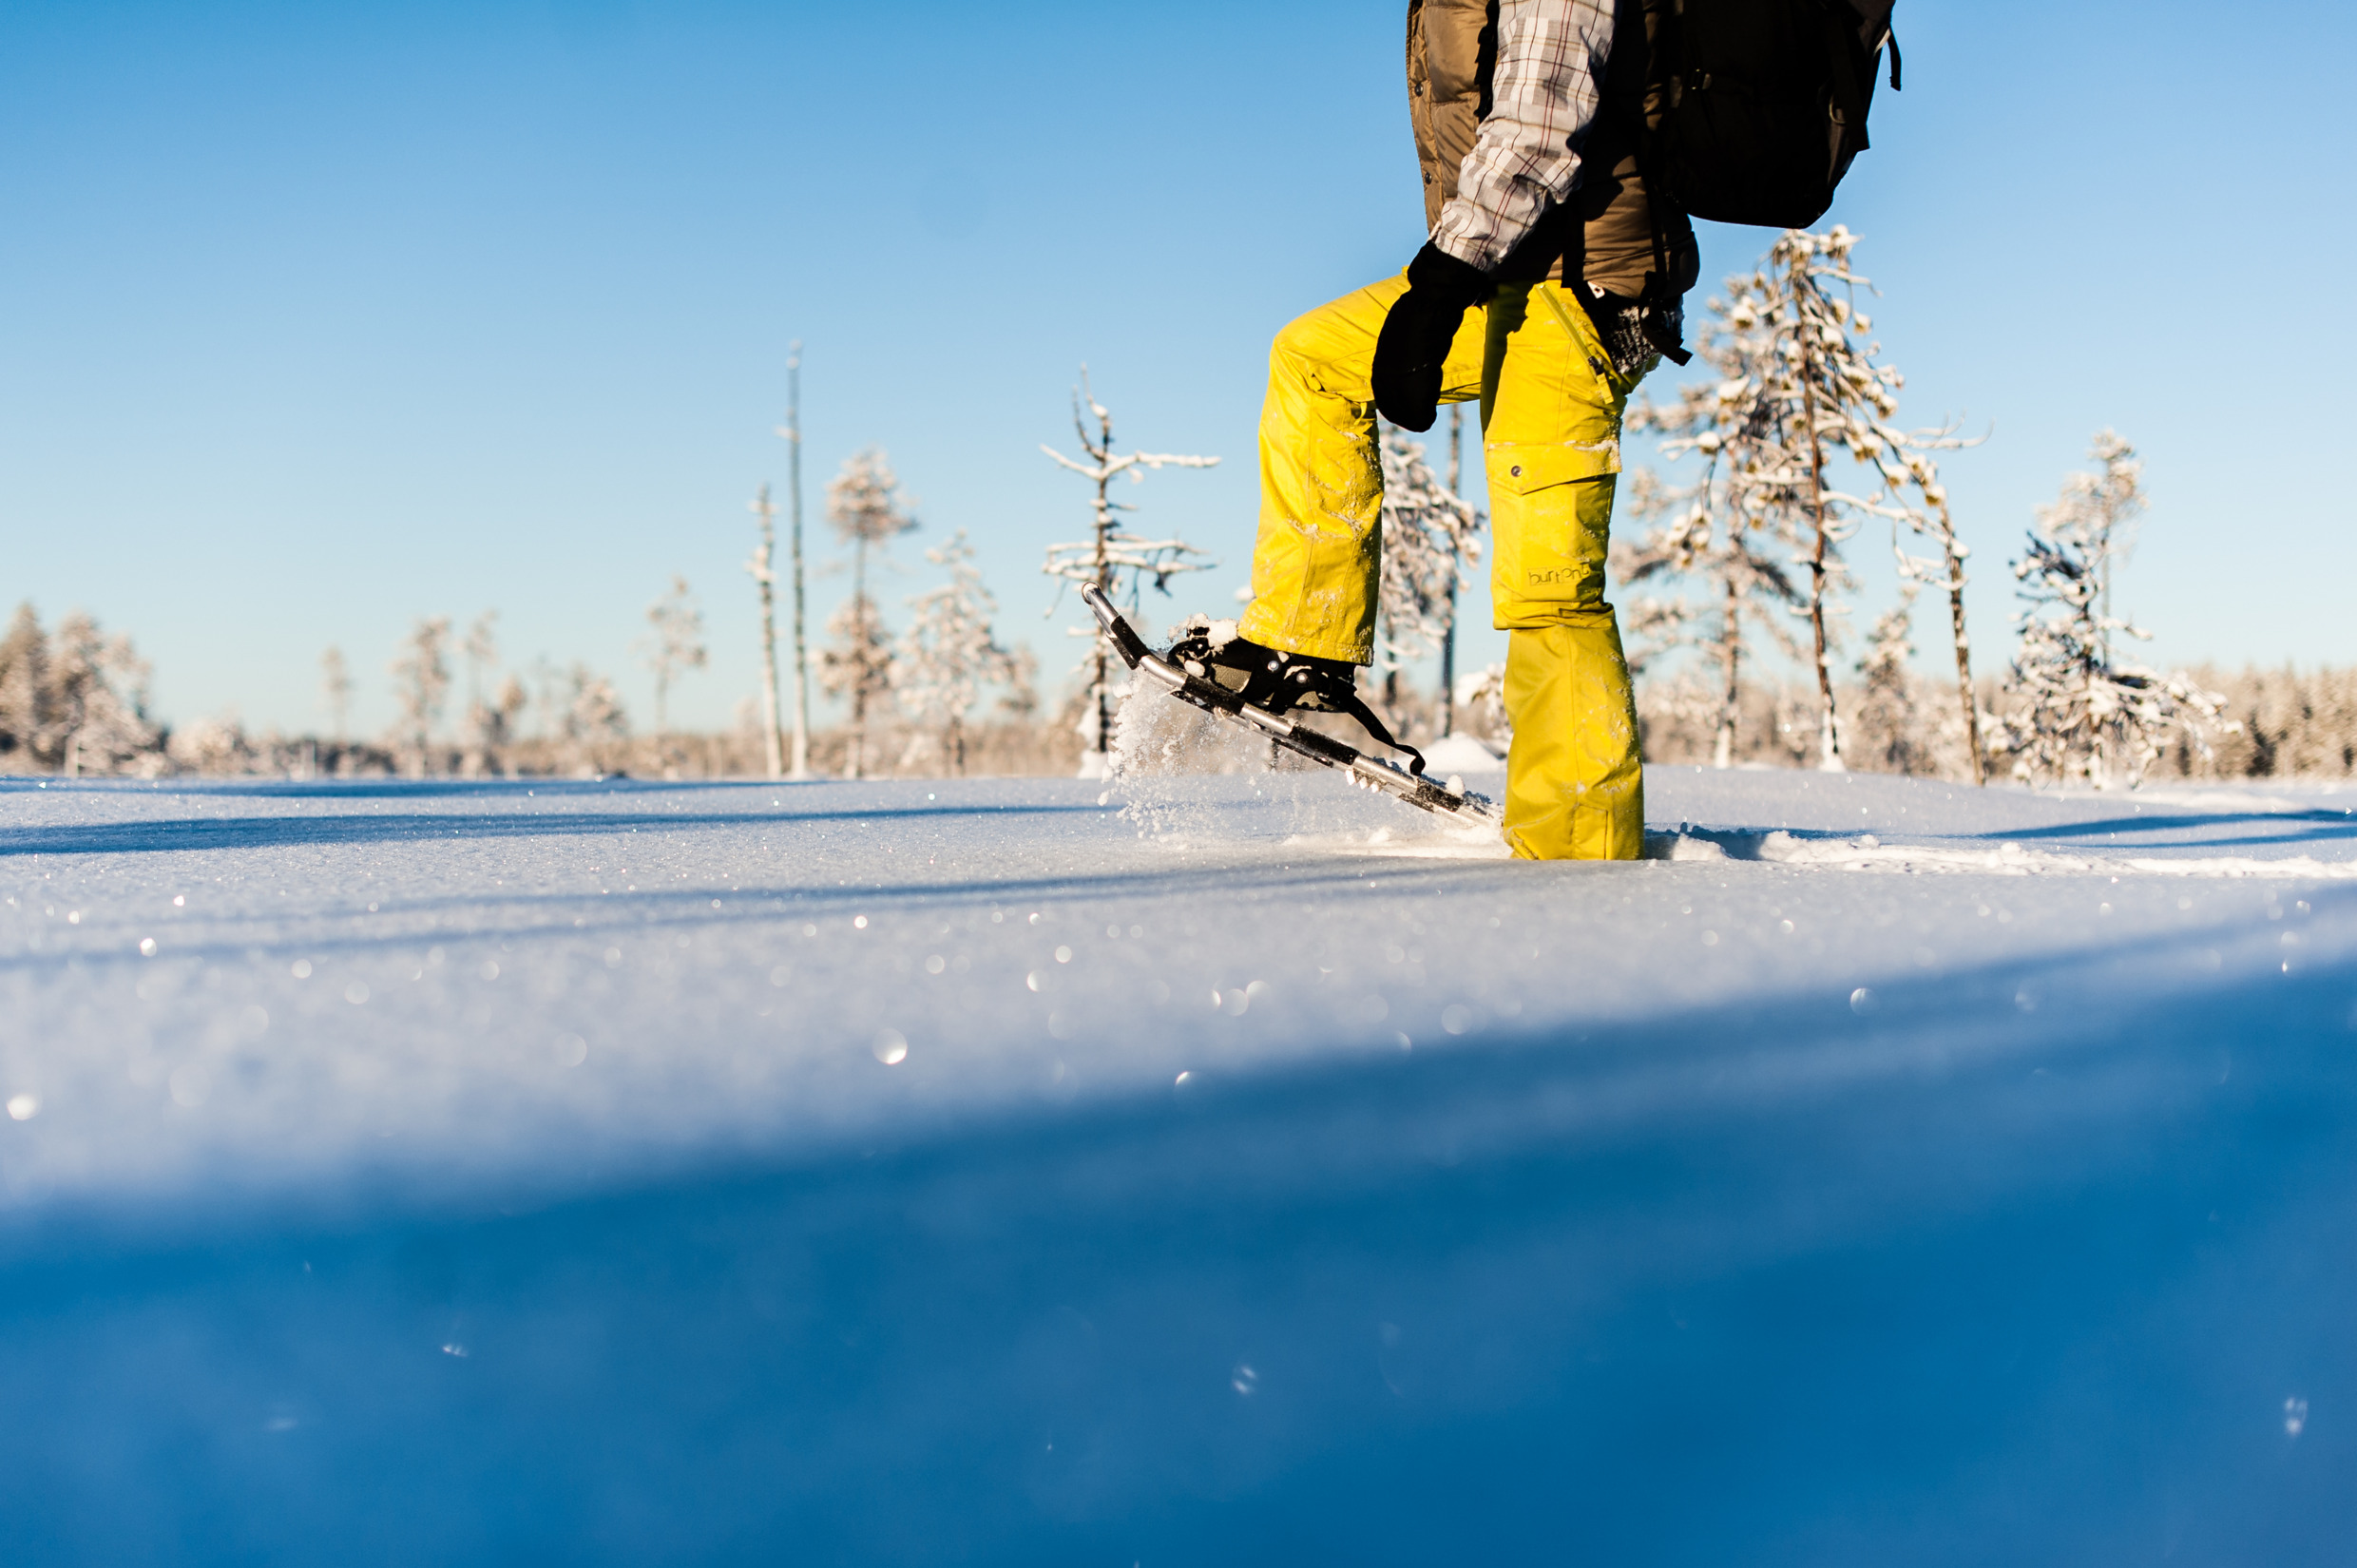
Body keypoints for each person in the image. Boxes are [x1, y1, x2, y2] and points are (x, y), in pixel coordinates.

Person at [1213, 0, 1696, 860]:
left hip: (1582, 290)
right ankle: (1304, 644)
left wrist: (1438, 290)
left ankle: (1580, 855)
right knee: (1316, 358)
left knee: (1548, 583)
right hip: (1517, 272)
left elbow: (1541, 127)